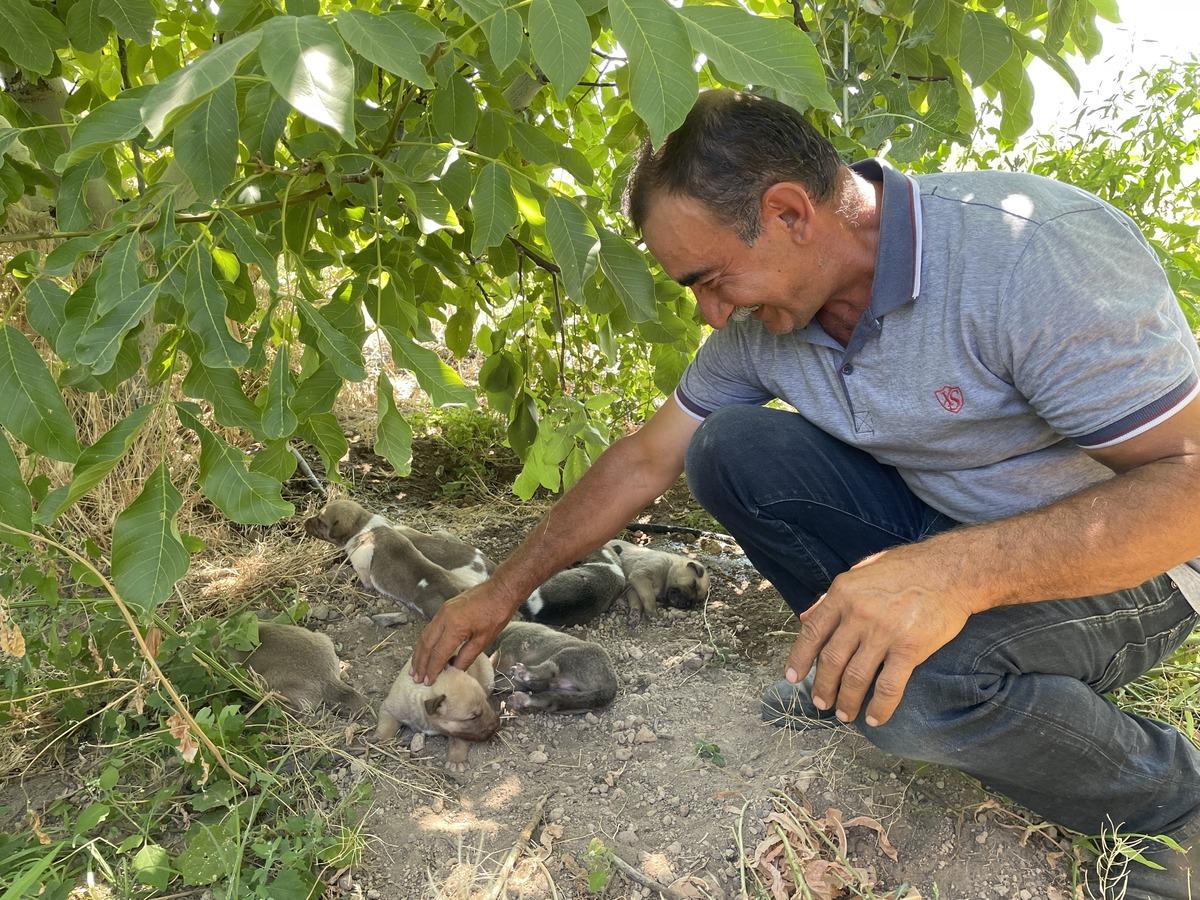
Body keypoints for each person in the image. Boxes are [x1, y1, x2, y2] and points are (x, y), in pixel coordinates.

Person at [412, 89, 1200, 897]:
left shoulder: (1027, 254)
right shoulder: (767, 329)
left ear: (790, 212)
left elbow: (1191, 485)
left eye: (712, 278)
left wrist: (949, 576)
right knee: (728, 448)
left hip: (1139, 568)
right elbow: (645, 461)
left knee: (917, 692)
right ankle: (846, 671)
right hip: (949, 525)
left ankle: (1171, 802)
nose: (713, 315)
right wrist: (502, 590)